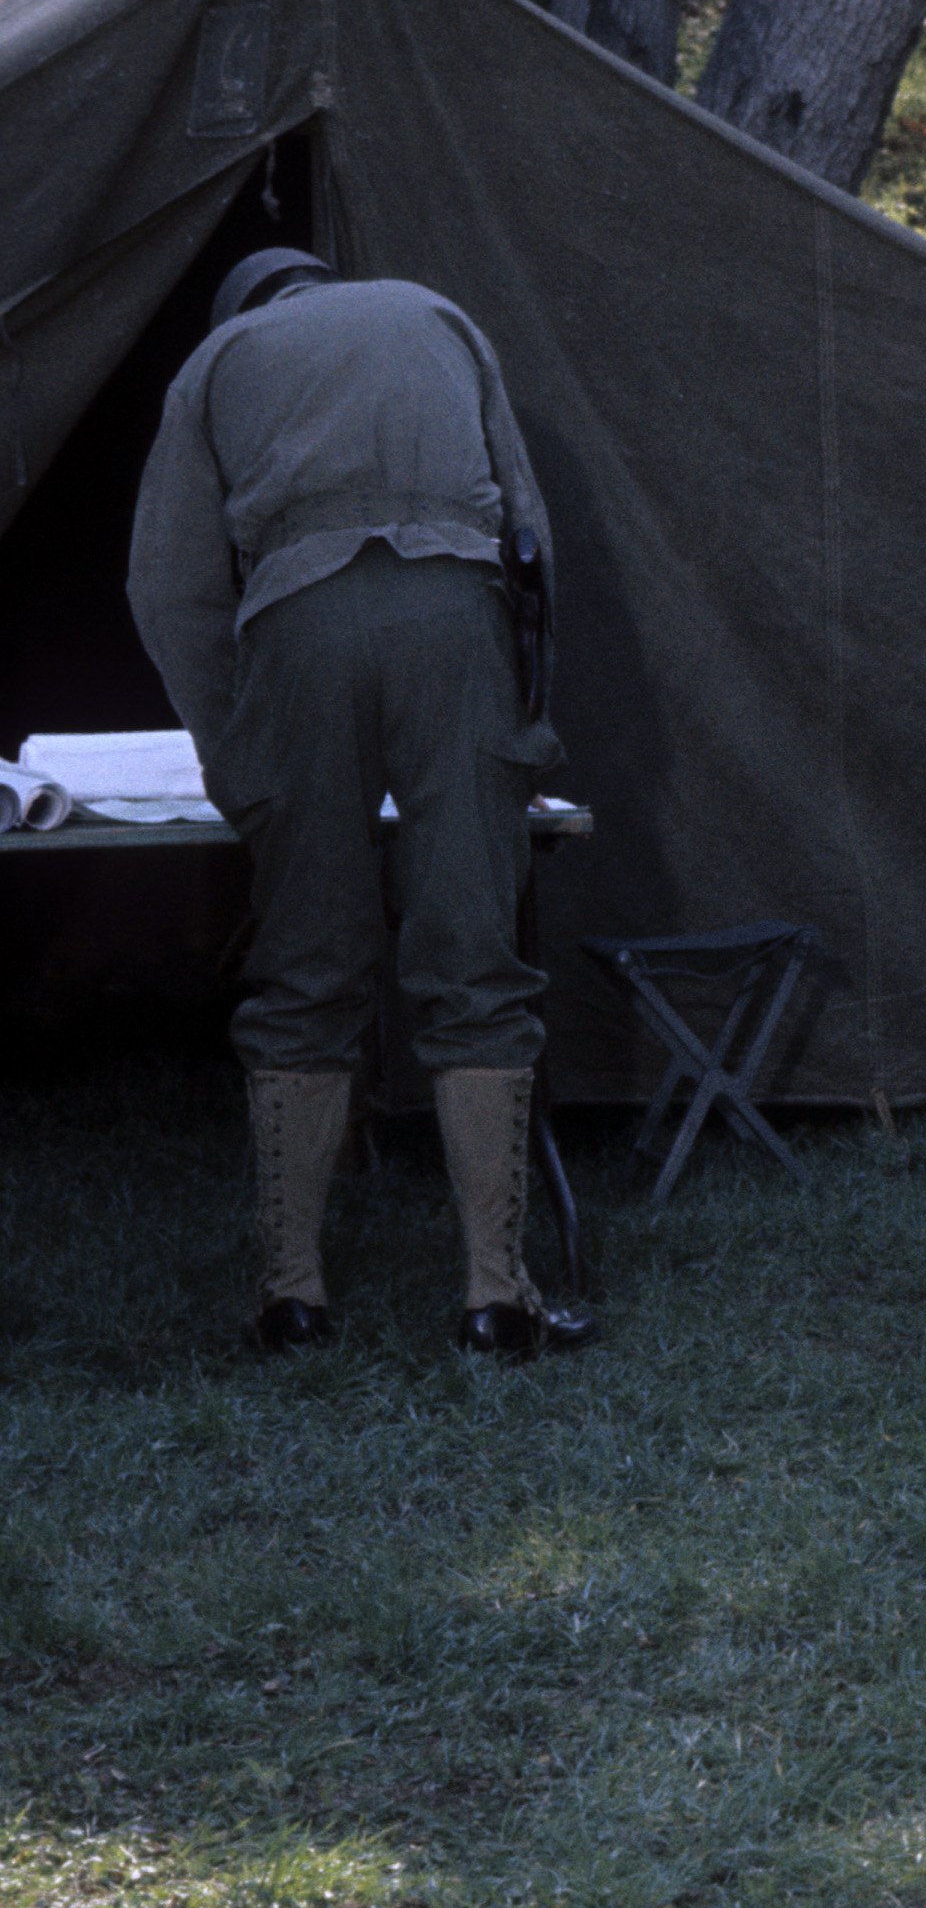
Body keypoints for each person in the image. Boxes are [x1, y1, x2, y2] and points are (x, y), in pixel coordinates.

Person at [127, 248, 593, 1358]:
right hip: (457, 623)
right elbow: (530, 535)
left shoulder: (216, 358)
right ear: (328, 284)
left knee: (306, 962)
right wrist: (523, 709)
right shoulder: (440, 311)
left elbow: (169, 584)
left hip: (300, 632)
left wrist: (233, 737)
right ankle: (495, 1294)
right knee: (475, 955)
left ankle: (292, 1296)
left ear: (250, 305)